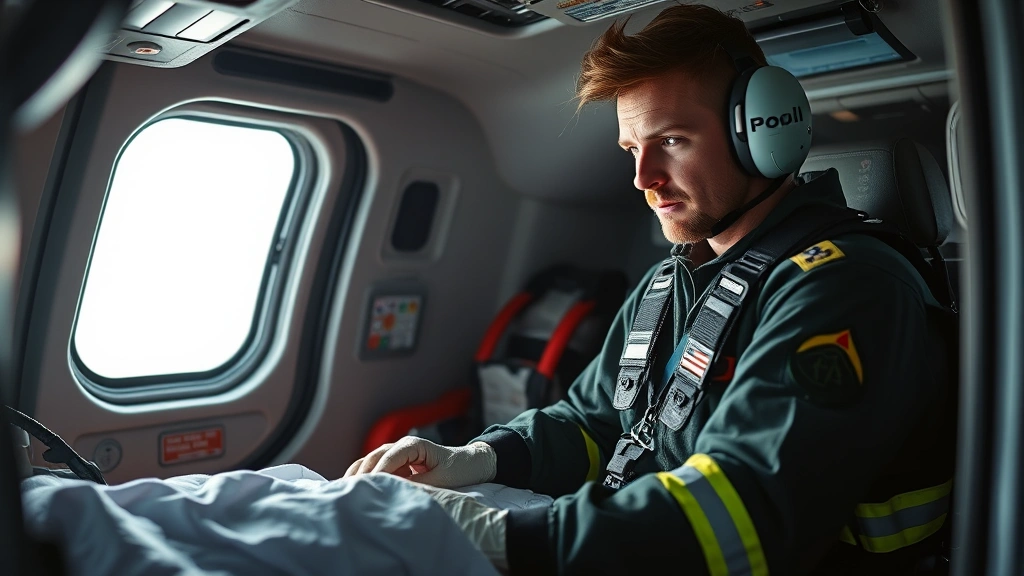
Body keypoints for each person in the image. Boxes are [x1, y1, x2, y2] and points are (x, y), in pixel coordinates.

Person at [345, 5, 955, 575]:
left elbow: (747, 510)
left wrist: (501, 537)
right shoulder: (673, 280)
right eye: (633, 149)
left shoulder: (847, 285)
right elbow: (595, 419)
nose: (644, 179)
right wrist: (477, 458)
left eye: (671, 141)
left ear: (761, 132)